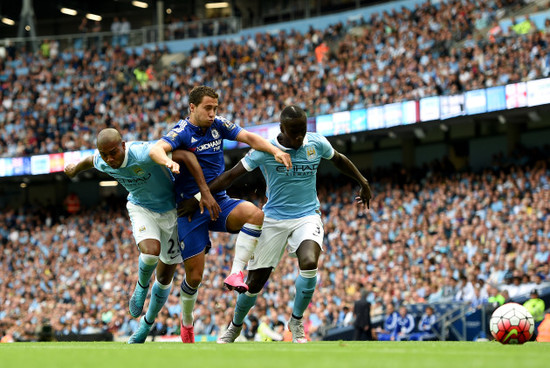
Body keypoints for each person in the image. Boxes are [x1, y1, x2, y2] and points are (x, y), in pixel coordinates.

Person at [191, 104, 372, 343]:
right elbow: (231, 176)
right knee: (254, 283)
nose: (299, 137)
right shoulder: (265, 149)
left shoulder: (315, 143)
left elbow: (339, 159)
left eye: (302, 131)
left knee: (309, 262)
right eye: (294, 132)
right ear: (281, 129)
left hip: (307, 216)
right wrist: (198, 199)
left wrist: (363, 180)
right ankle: (235, 327)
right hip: (274, 219)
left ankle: (296, 322)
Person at [148, 85, 292, 343]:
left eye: (215, 108)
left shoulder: (219, 125)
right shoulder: (181, 132)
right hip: (189, 211)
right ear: (192, 107)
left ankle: (236, 272)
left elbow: (249, 137)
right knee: (194, 277)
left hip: (218, 201)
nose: (213, 113)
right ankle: (187, 321)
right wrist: (168, 162)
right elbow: (155, 149)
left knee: (255, 215)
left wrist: (275, 150)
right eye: (207, 108)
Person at [64, 128, 219, 344]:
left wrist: (191, 180)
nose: (110, 158)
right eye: (105, 154)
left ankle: (146, 325)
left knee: (165, 279)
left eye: (114, 152)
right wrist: (73, 169)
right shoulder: (103, 159)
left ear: (124, 145)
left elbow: (186, 155)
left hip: (172, 213)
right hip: (141, 208)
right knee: (150, 254)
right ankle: (141, 286)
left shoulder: (142, 153)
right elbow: (90, 160)